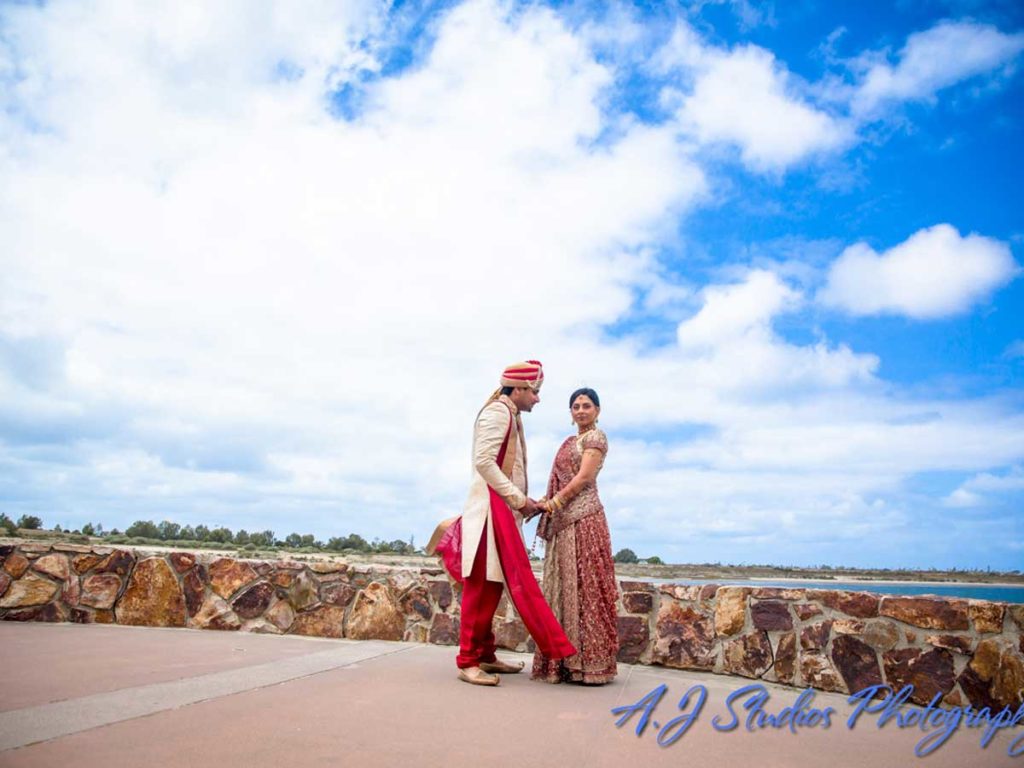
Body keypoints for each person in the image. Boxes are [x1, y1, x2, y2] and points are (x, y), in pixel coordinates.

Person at [434, 360, 576, 686]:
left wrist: (523, 503)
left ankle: (485, 654)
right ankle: (468, 661)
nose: (538, 399)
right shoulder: (498, 413)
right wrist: (518, 499)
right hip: (487, 514)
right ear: (520, 388)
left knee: (493, 586)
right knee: (481, 588)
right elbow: (484, 462)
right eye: (535, 392)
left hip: (500, 514)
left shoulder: (508, 413)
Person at [532, 387, 619, 684]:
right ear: (570, 413)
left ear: (597, 410)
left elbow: (584, 478)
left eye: (587, 405)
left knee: (588, 590)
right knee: (562, 590)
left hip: (585, 521)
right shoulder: (569, 441)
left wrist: (554, 503)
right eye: (576, 406)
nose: (581, 410)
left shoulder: (596, 438)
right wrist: (541, 505)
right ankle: (563, 664)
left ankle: (591, 665)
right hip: (563, 523)